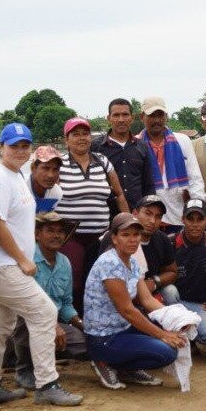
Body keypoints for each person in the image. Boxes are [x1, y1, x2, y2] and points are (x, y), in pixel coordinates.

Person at [0, 123, 83, 410]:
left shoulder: (15, 177)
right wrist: (23, 258)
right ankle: (47, 384)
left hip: (6, 263)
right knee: (45, 312)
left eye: (24, 145)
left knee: (0, 326)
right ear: (0, 147)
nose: (19, 151)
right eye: (14, 146)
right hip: (3, 264)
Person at [83, 213, 184, 390]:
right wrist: (162, 335)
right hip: (105, 337)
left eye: (136, 234)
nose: (132, 240)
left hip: (123, 327)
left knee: (170, 331)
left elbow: (147, 300)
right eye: (125, 235)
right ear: (114, 238)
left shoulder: (132, 261)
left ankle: (127, 368)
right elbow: (127, 310)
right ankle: (104, 361)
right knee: (167, 352)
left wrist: (177, 320)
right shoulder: (109, 263)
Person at [58, 116, 130, 316]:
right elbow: (48, 196)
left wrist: (129, 225)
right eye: (75, 134)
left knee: (101, 280)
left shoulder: (102, 161)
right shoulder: (59, 164)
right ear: (66, 139)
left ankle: (98, 321)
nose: (81, 138)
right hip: (71, 236)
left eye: (85, 133)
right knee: (76, 280)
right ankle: (74, 323)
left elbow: (119, 194)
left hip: (100, 235)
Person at [12, 212, 89, 389]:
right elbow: (23, 302)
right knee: (23, 322)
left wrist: (81, 324)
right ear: (37, 234)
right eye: (50, 230)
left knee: (87, 342)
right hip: (27, 318)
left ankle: (46, 359)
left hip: (54, 322)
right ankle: (23, 369)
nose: (57, 235)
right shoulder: (26, 258)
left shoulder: (65, 263)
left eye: (60, 231)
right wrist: (51, 325)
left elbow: (66, 304)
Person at [159, 198, 206, 348]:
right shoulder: (170, 242)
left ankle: (189, 338)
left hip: (200, 304)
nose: (195, 224)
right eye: (190, 219)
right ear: (183, 219)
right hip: (175, 302)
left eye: (199, 219)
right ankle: (176, 333)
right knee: (169, 290)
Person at [138, 96, 206, 232]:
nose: (157, 120)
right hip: (148, 221)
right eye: (152, 115)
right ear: (142, 117)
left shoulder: (182, 141)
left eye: (160, 115)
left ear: (166, 116)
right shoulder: (136, 143)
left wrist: (196, 210)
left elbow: (195, 178)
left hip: (179, 216)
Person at [91, 98, 154, 212]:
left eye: (125, 115)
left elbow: (148, 184)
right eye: (116, 115)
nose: (121, 119)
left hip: (136, 213)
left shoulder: (142, 146)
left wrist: (147, 210)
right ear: (108, 118)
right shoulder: (96, 147)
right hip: (105, 213)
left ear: (132, 118)